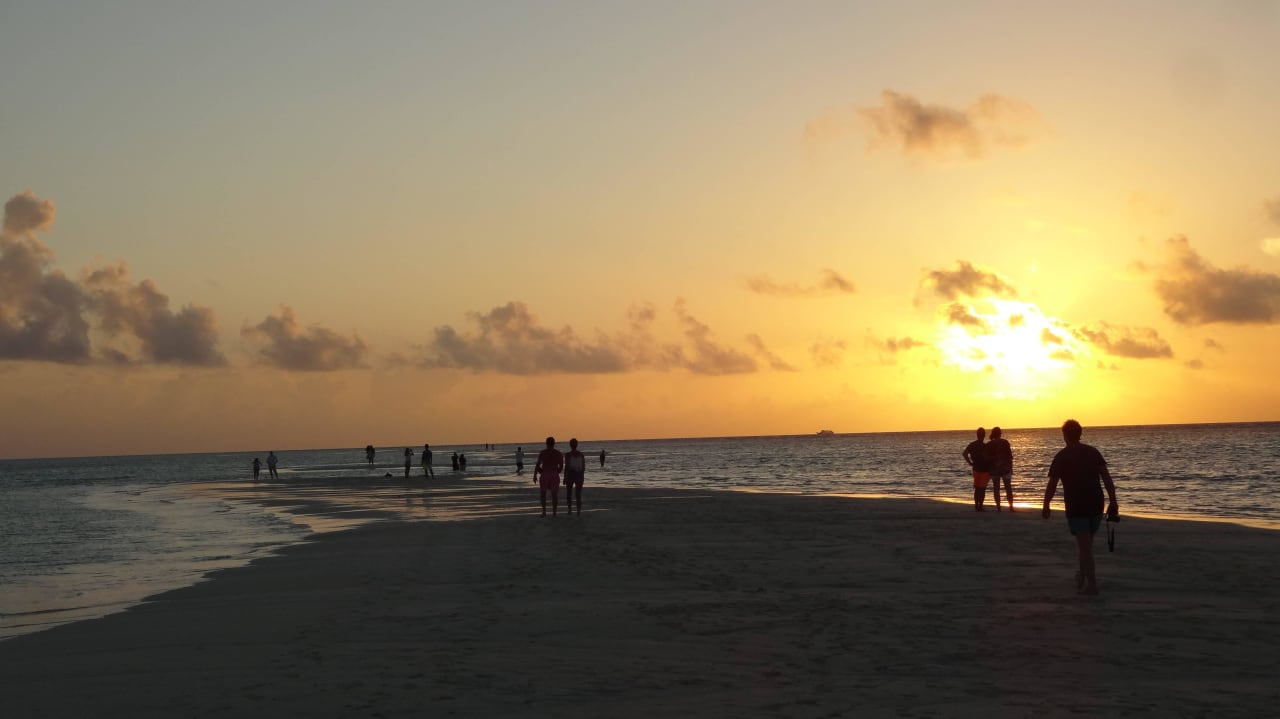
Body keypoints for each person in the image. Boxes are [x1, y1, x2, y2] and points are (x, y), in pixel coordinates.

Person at [1042, 419, 1119, 596]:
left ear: (1065, 435)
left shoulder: (1061, 456)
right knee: (1086, 545)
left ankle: (1092, 585)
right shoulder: (1093, 452)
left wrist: (1046, 504)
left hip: (1077, 506)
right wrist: (1113, 501)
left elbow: (1052, 484)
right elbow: (1107, 479)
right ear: (1080, 433)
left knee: (1085, 547)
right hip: (1096, 504)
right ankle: (1082, 576)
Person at [533, 436, 564, 517]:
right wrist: (557, 472)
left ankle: (544, 512)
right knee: (554, 495)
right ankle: (554, 513)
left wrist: (536, 474)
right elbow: (561, 466)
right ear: (554, 444)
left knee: (543, 494)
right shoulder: (558, 453)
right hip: (554, 474)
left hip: (545, 474)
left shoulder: (543, 453)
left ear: (546, 443)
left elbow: (537, 465)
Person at [986, 426, 1014, 511]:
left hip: (994, 469)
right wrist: (1011, 467)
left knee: (996, 488)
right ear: (1000, 433)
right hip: (1005, 467)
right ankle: (1011, 507)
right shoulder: (1005, 442)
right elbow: (1010, 456)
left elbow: (986, 457)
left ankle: (998, 507)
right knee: (1008, 488)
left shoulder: (989, 444)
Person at [961, 428, 990, 511]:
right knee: (982, 489)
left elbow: (964, 454)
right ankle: (980, 505)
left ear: (977, 435)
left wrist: (970, 462)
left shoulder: (972, 445)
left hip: (976, 468)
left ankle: (976, 505)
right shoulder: (985, 446)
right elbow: (987, 457)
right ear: (984, 435)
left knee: (977, 488)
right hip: (984, 469)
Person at [564, 438, 586, 515]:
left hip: (570, 474)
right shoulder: (581, 454)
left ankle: (570, 510)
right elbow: (583, 466)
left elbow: (566, 466)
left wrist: (564, 477)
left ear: (570, 445)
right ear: (577, 445)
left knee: (569, 493)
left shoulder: (567, 455)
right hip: (579, 474)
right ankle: (578, 511)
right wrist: (582, 475)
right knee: (578, 493)